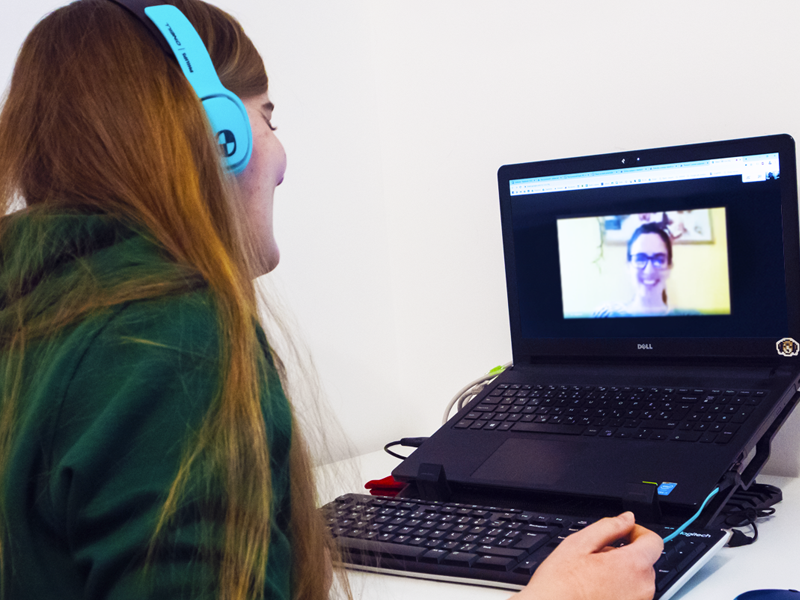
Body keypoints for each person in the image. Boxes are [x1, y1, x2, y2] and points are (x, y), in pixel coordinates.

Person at [0, 1, 662, 598]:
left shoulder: (38, 315)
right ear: (217, 137)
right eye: (266, 117)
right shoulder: (167, 342)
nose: (282, 155)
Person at [594, 223, 674, 318]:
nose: (649, 270)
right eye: (640, 259)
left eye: (659, 259)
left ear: (669, 266)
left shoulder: (686, 319)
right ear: (628, 266)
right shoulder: (607, 314)